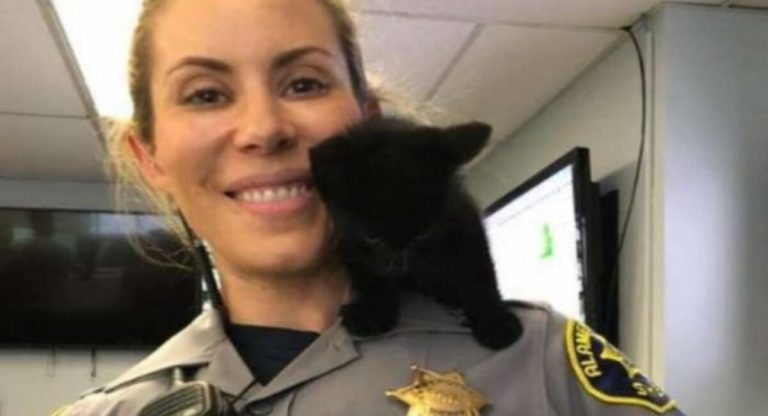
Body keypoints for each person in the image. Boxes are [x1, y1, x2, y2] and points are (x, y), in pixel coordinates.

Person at [54, 0, 685, 414]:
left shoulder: (544, 362)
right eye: (205, 93)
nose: (263, 128)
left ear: (367, 122)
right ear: (151, 155)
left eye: (303, 83)